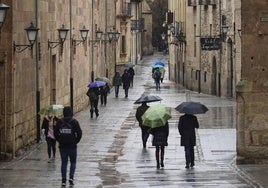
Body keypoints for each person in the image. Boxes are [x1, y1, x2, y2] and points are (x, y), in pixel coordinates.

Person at [54, 106, 82, 187]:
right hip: (72, 145)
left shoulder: (59, 122)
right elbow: (79, 133)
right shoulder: (74, 122)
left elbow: (55, 133)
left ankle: (63, 180)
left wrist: (59, 140)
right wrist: (75, 141)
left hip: (63, 146)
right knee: (73, 162)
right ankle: (71, 177)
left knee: (64, 163)